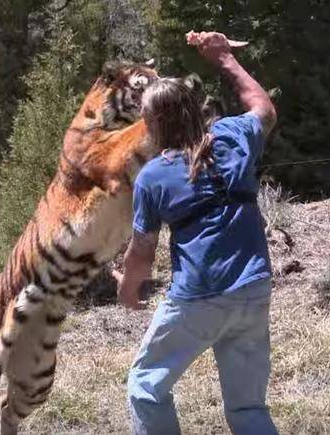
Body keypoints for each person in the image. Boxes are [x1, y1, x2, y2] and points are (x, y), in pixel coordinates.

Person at [112, 31, 279, 435]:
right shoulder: (233, 138)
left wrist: (127, 289)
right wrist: (223, 58)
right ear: (195, 108)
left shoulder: (154, 177)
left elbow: (143, 253)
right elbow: (264, 109)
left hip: (199, 298)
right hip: (254, 287)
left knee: (146, 386)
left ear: (152, 124)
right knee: (247, 408)